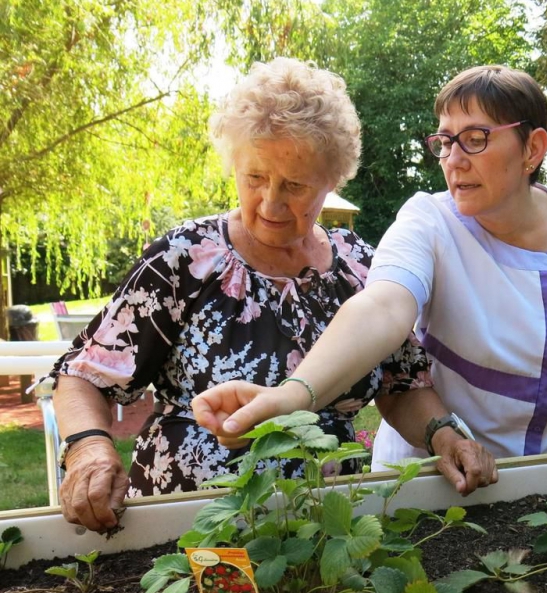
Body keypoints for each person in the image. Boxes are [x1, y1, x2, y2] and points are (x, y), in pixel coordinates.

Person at [49, 57, 447, 533]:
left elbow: (401, 386)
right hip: (189, 526)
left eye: (295, 185)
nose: (271, 202)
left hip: (324, 529)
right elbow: (83, 375)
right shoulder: (186, 258)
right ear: (234, 164)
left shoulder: (362, 266)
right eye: (255, 177)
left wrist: (444, 435)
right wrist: (90, 447)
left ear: (332, 180)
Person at [193, 65, 547, 477]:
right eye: (445, 141)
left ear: (533, 148)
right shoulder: (429, 222)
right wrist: (292, 396)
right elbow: (383, 306)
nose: (453, 159)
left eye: (475, 138)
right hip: (436, 481)